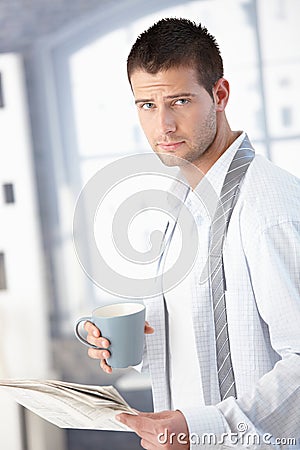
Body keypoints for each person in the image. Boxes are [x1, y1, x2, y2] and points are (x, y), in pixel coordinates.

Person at [84, 18, 300, 449]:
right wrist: (135, 343)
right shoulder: (180, 200)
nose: (162, 125)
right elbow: (212, 340)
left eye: (179, 101)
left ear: (219, 95)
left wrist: (203, 428)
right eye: (146, 105)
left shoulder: (269, 205)